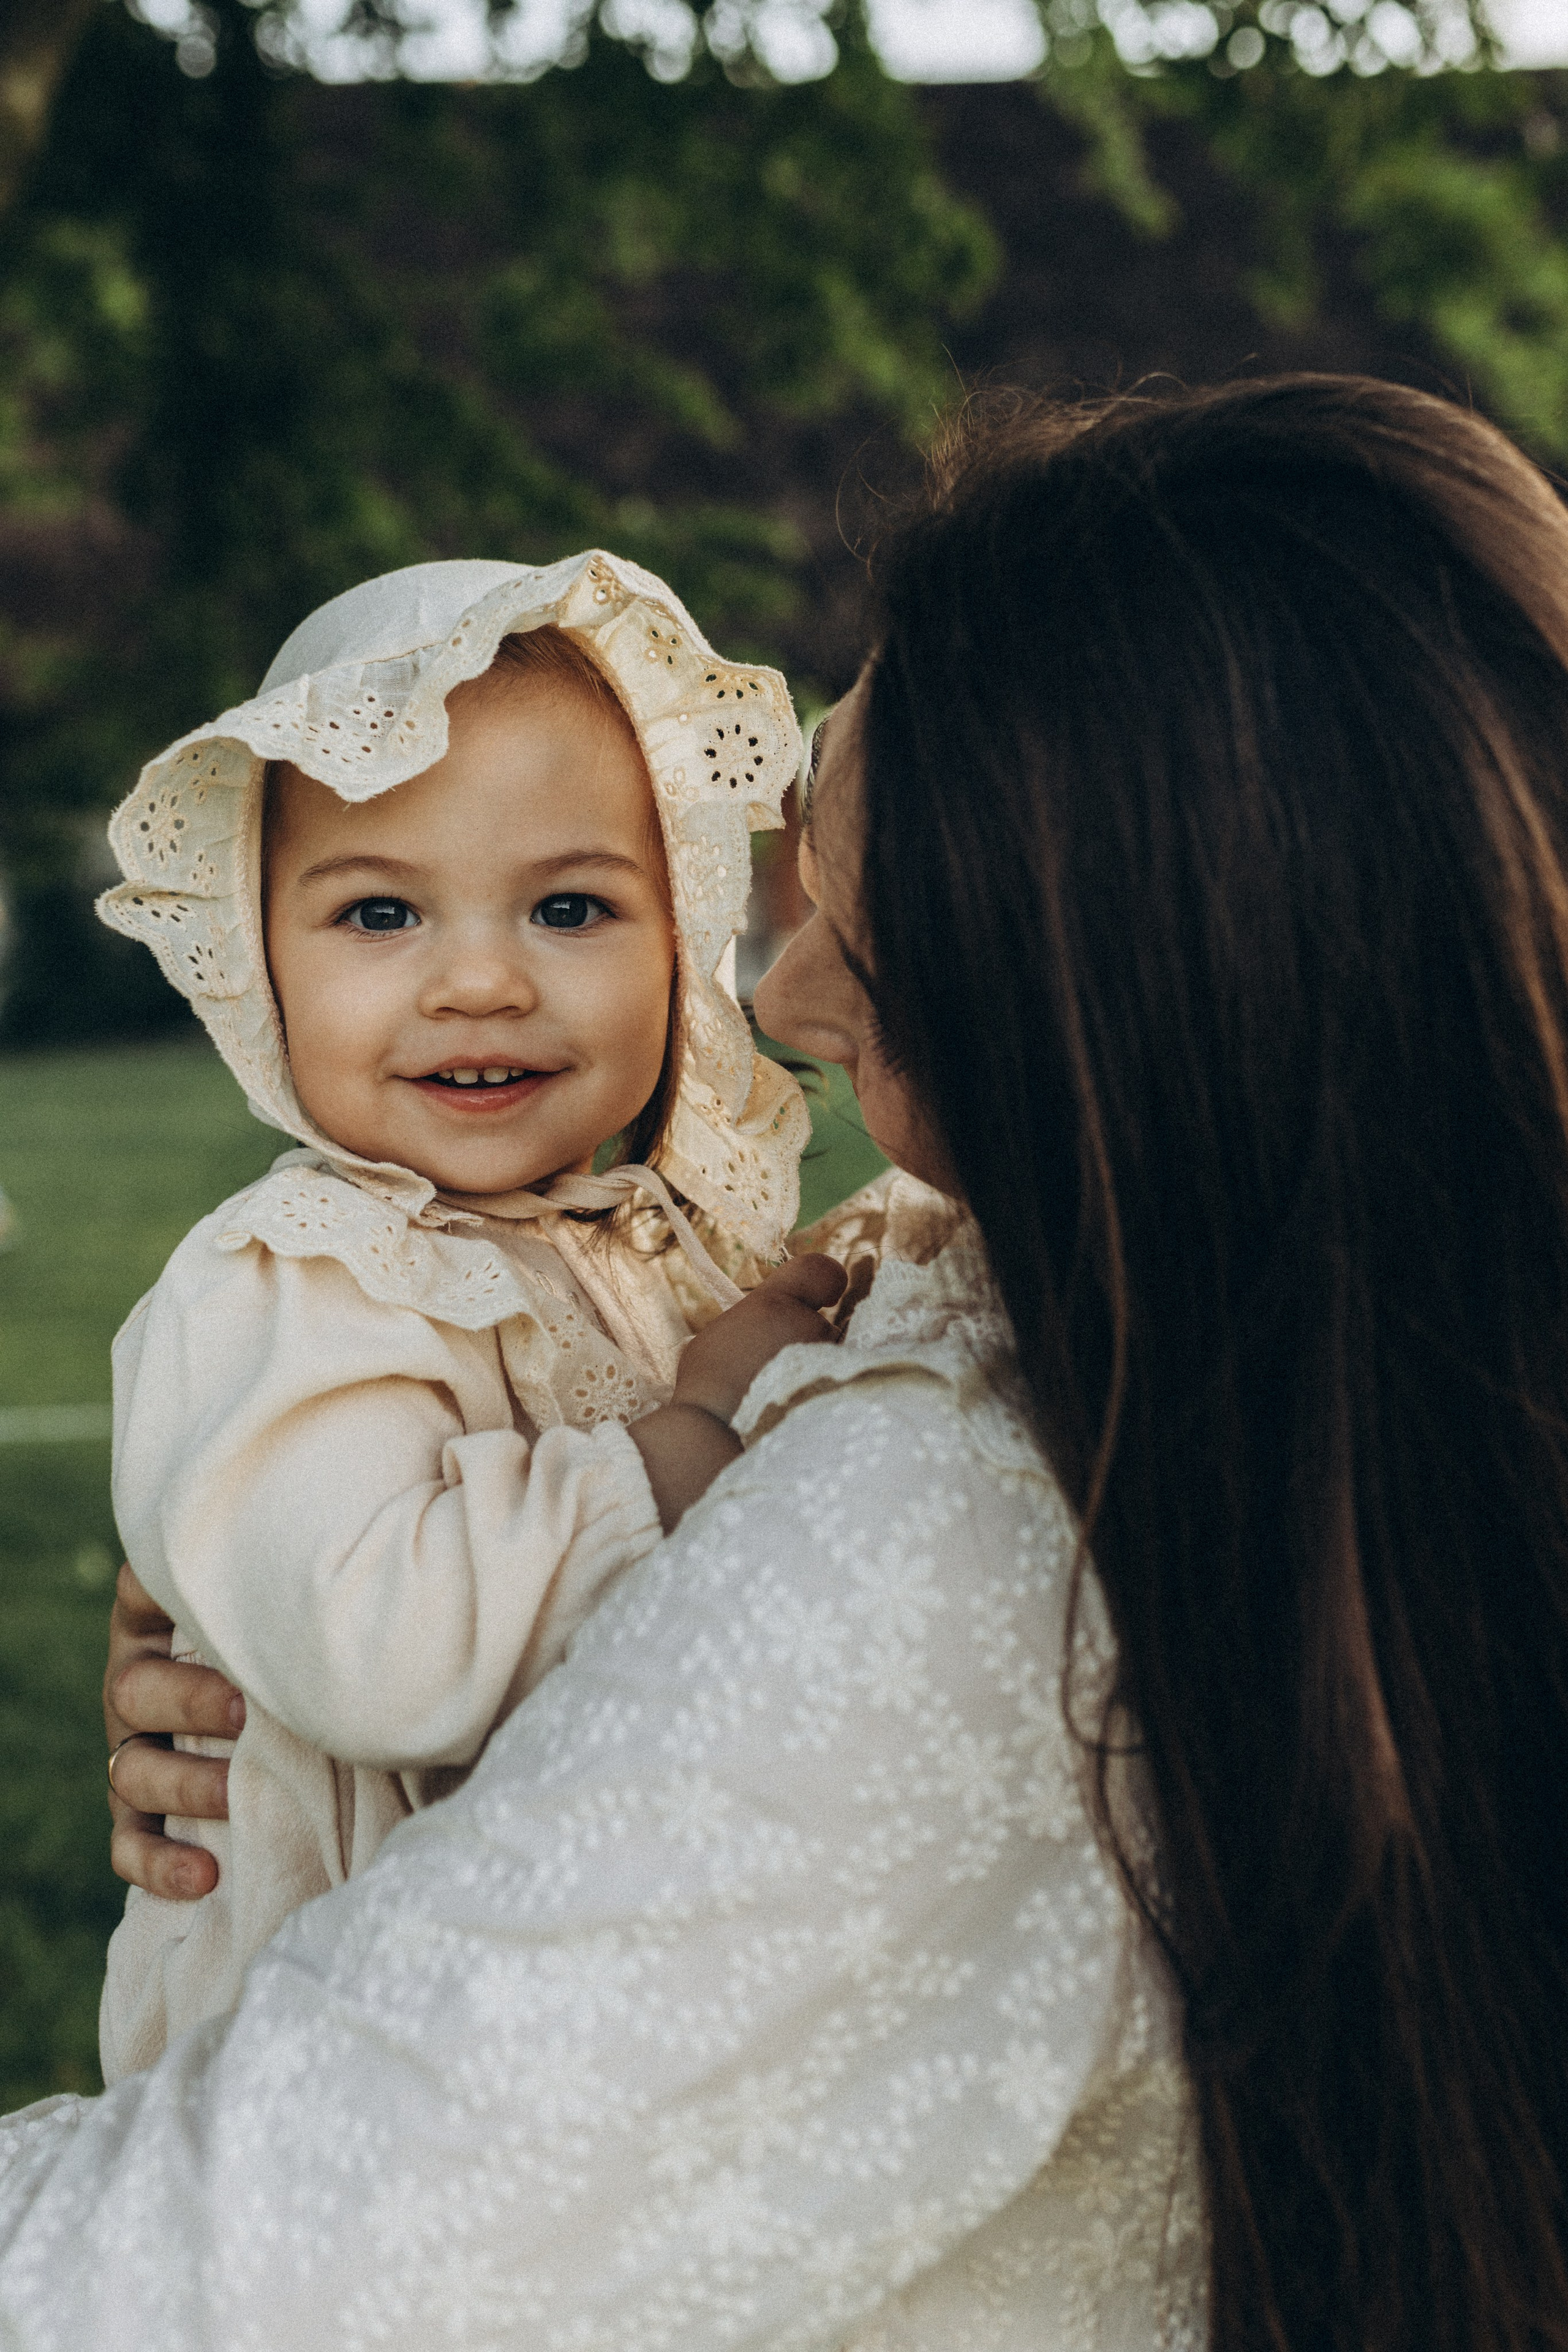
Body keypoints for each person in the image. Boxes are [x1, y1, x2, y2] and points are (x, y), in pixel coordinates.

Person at [4, 372, 1567, 2352]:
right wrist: (277, 1616)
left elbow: (207, 2285)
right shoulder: (1298, 1371)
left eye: (885, 946)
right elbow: (373, 1610)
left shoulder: (935, 1540)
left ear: (1124, 1033)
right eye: (381, 913)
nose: (792, 995)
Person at [92, 549, 841, 2082]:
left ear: (687, 940)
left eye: (569, 906)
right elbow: (376, 1646)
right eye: (379, 916)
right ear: (257, 963)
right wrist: (689, 1429)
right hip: (355, 2068)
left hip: (583, 2016)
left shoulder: (660, 1247)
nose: (481, 981)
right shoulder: (287, 1282)